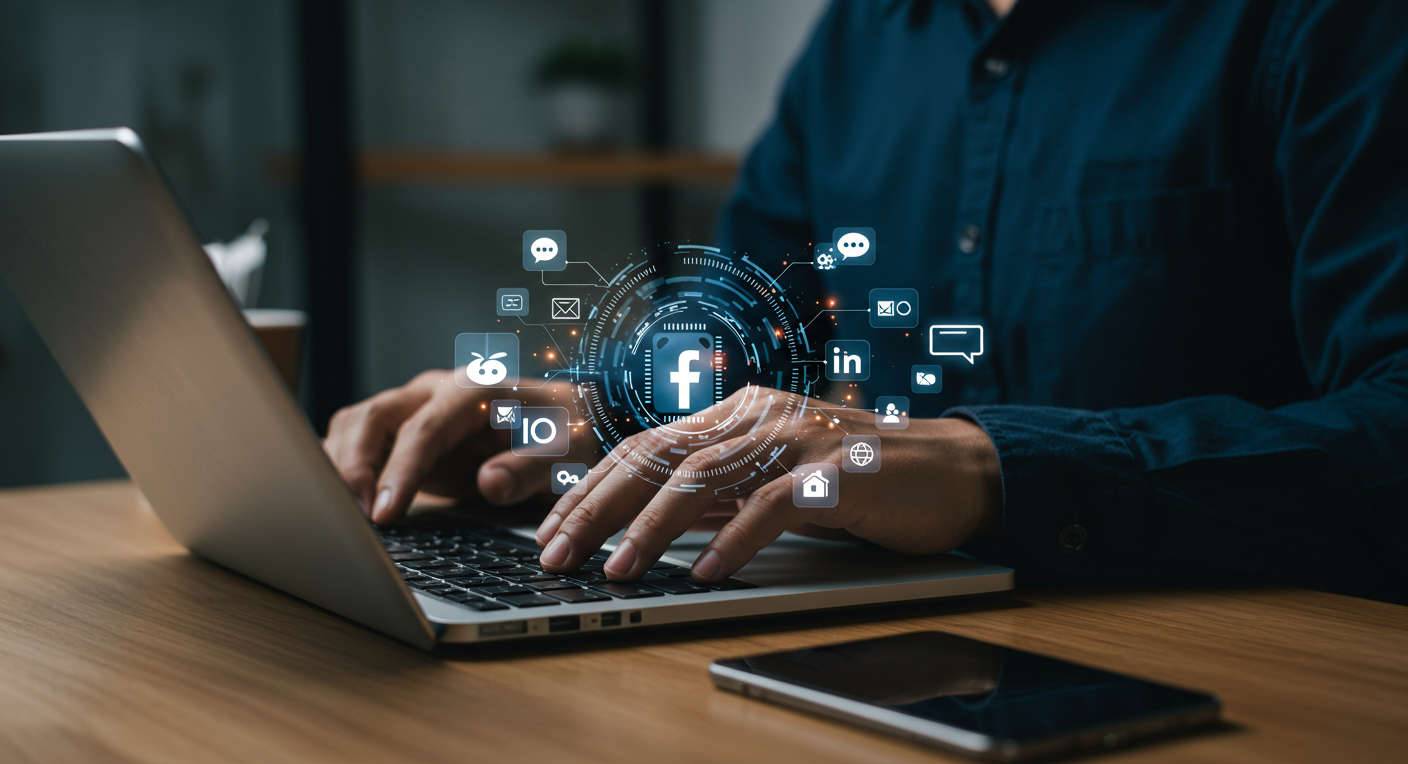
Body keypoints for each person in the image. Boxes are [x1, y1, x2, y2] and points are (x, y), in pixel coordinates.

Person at [323, 0, 1408, 602]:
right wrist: (600, 411)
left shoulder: (1329, 24)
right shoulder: (863, 35)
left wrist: (992, 467)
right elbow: (749, 324)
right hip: (870, 643)